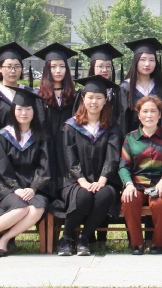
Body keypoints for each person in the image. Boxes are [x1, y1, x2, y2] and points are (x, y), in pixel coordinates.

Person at [57, 76, 123, 256]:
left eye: (99, 97)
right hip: (75, 181)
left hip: (104, 180)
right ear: (83, 99)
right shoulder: (71, 126)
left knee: (104, 195)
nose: (94, 101)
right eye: (90, 97)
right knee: (83, 196)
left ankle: (84, 238)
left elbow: (113, 156)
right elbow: (68, 156)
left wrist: (102, 180)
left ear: (106, 100)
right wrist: (82, 181)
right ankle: (66, 238)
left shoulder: (112, 127)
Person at [0, 89, 52, 257]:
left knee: (37, 209)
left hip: (34, 189)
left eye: (28, 109)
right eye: (19, 109)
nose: (24, 113)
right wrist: (16, 188)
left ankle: (4, 239)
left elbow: (45, 165)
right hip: (9, 189)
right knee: (21, 208)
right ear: (13, 111)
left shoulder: (41, 137)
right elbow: (1, 166)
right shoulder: (3, 136)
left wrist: (33, 188)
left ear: (34, 111)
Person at [119, 95, 162, 255]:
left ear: (159, 114)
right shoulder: (130, 138)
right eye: (145, 111)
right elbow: (123, 166)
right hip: (137, 186)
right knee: (129, 200)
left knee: (160, 203)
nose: (149, 115)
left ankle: (156, 245)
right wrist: (128, 185)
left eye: (153, 111)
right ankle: (137, 244)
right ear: (139, 115)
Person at [0, 42, 42, 138]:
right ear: (0, 68)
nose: (13, 71)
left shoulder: (29, 93)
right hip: (0, 144)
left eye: (17, 66)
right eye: (8, 67)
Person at [118, 39, 162, 134]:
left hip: (160, 139)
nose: (147, 64)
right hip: (132, 140)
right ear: (135, 61)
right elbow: (122, 120)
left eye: (151, 60)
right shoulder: (125, 88)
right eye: (143, 59)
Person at [35, 43, 80, 139]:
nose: (58, 70)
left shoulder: (73, 95)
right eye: (53, 67)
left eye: (62, 66)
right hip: (46, 145)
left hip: (69, 143)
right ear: (47, 69)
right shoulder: (38, 96)